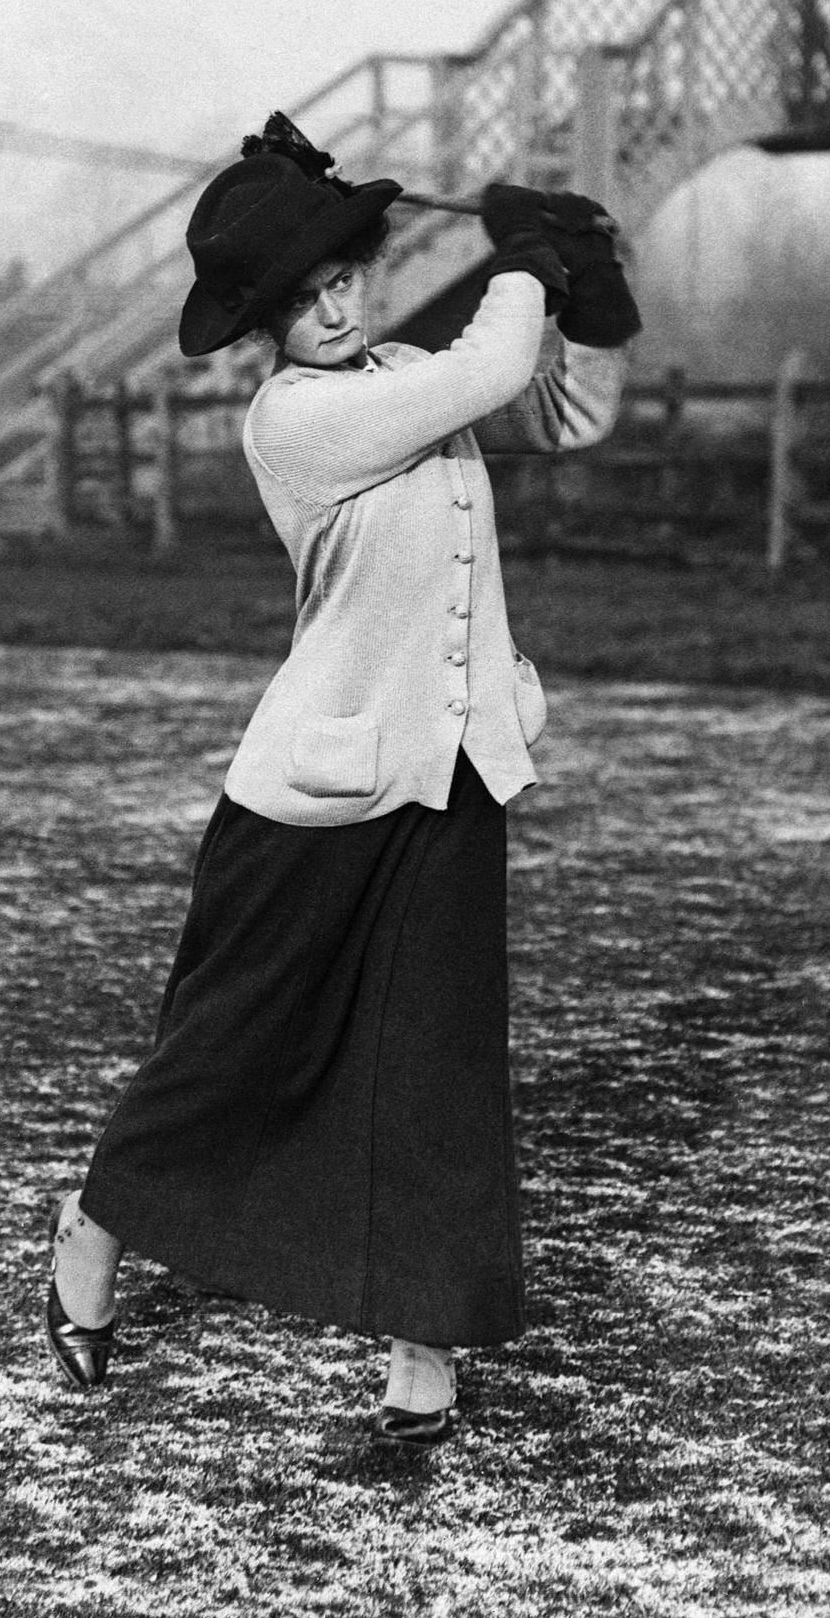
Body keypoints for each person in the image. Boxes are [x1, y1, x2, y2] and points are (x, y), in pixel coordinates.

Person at [45, 113, 634, 1446]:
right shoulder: (298, 421)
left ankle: (420, 1357)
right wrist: (524, 263)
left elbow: (565, 405)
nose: (327, 309)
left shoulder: (410, 365)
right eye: (294, 299)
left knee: (436, 1075)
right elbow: (494, 362)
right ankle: (91, 1229)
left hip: (451, 780)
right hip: (310, 801)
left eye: (340, 280)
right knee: (232, 1055)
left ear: (365, 272)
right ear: (260, 321)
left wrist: (585, 289)